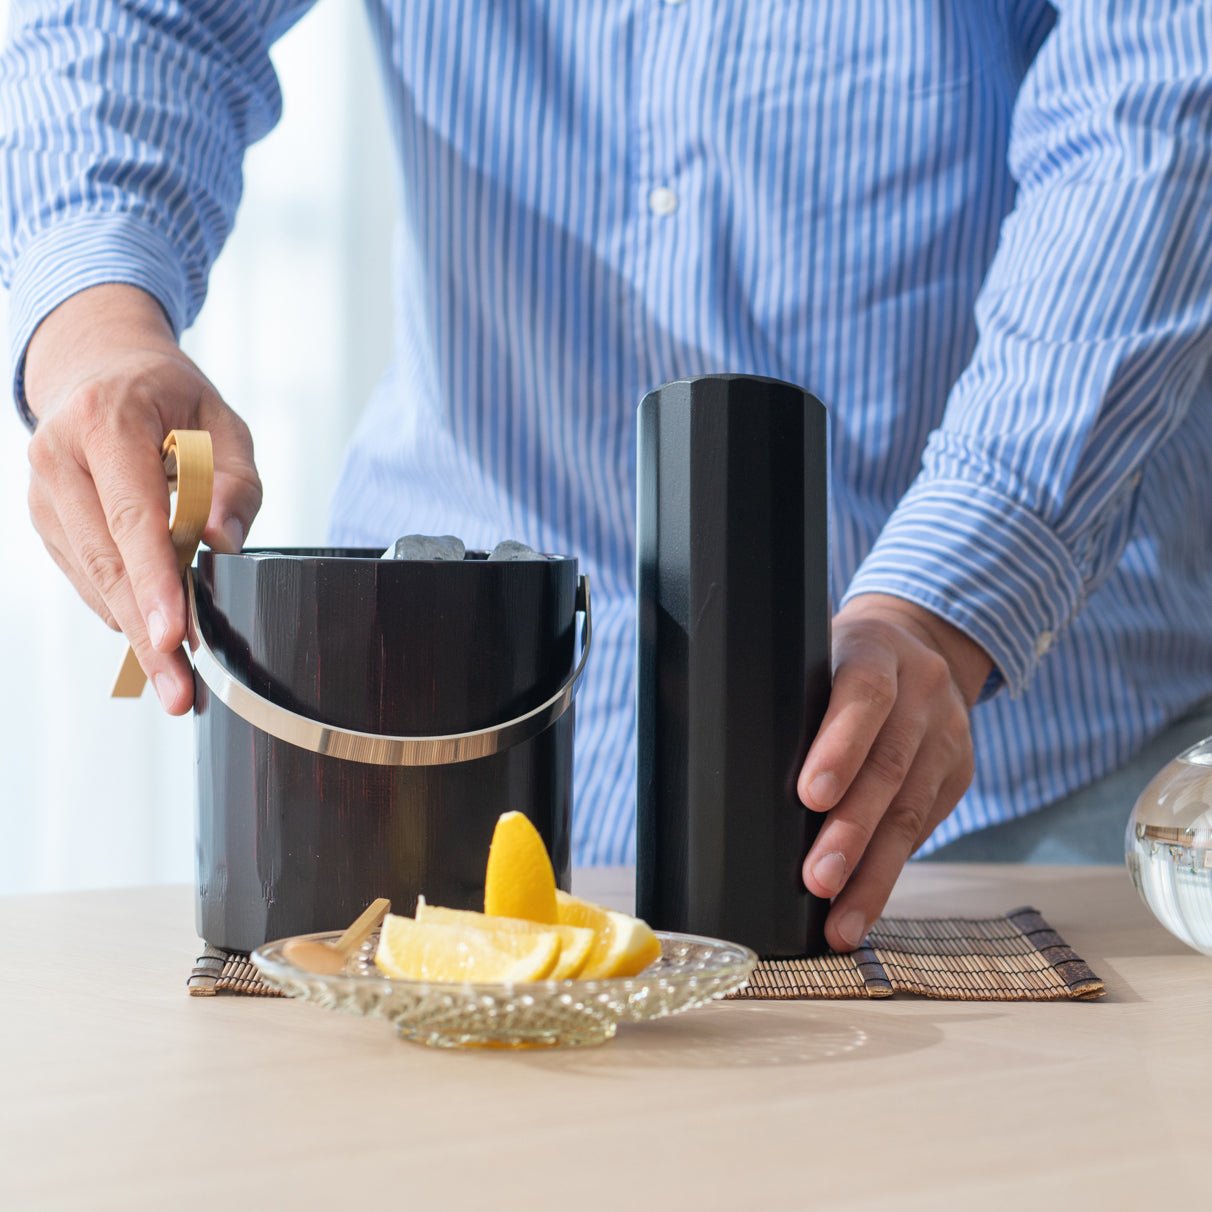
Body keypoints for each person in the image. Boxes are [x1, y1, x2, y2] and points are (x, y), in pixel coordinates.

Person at [2, 2, 1210, 953]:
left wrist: (949, 596)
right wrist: (99, 329)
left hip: (1008, 776)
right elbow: (136, 19)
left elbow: (1157, 98)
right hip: (429, 765)